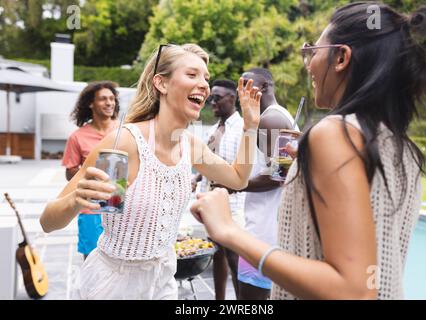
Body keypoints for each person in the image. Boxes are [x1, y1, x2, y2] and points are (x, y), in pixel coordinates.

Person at [190, 2, 426, 299]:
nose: (308, 64)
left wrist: (228, 231)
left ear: (340, 57)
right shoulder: (402, 146)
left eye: (313, 52)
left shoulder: (336, 134)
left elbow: (352, 290)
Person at [40, 43, 262, 300]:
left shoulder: (189, 144)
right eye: (192, 75)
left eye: (206, 77)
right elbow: (47, 222)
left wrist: (251, 127)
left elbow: (238, 178)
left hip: (163, 282)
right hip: (112, 286)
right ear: (162, 84)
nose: (204, 84)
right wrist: (75, 199)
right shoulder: (125, 142)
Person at [234, 68, 298, 300]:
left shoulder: (270, 119)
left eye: (246, 86)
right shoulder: (272, 117)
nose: (241, 92)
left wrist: (233, 184)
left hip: (265, 233)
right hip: (271, 229)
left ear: (263, 87)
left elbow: (276, 176)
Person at [191, 79, 246, 300]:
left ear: (232, 99)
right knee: (217, 254)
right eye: (210, 98)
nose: (211, 101)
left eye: (216, 98)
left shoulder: (244, 129)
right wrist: (197, 177)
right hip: (211, 201)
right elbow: (210, 163)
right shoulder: (213, 130)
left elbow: (247, 169)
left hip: (234, 204)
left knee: (234, 257)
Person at [61, 81, 120, 260]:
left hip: (121, 202)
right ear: (90, 103)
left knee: (121, 258)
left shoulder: (124, 130)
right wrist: (90, 172)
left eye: (112, 98)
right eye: (103, 99)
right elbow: (70, 171)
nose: (109, 103)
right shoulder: (77, 137)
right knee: (92, 259)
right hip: (91, 208)